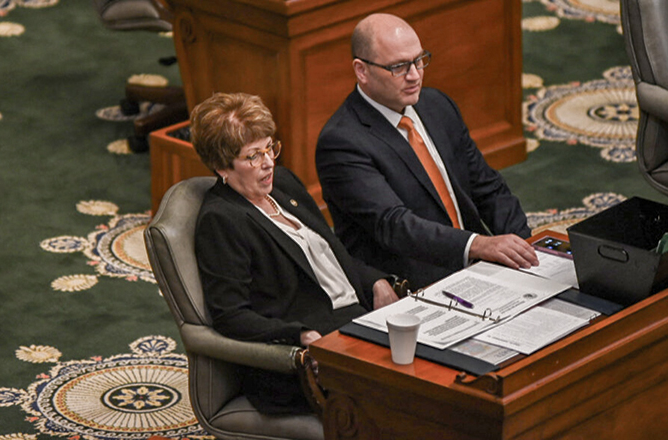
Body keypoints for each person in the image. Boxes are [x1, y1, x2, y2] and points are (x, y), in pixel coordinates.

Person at [191, 92, 399, 415]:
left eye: (270, 148)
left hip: (358, 321)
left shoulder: (283, 184)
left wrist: (376, 283)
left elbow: (331, 254)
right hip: (302, 360)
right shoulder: (221, 220)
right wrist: (299, 335)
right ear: (221, 166)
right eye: (252, 156)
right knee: (415, 396)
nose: (268, 163)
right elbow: (230, 316)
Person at [315, 13, 538, 289]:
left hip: (480, 264)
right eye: (398, 67)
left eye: (419, 60)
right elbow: (396, 225)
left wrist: (527, 247)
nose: (415, 75)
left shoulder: (437, 105)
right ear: (362, 71)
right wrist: (477, 245)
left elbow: (488, 188)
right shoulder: (341, 142)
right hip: (417, 285)